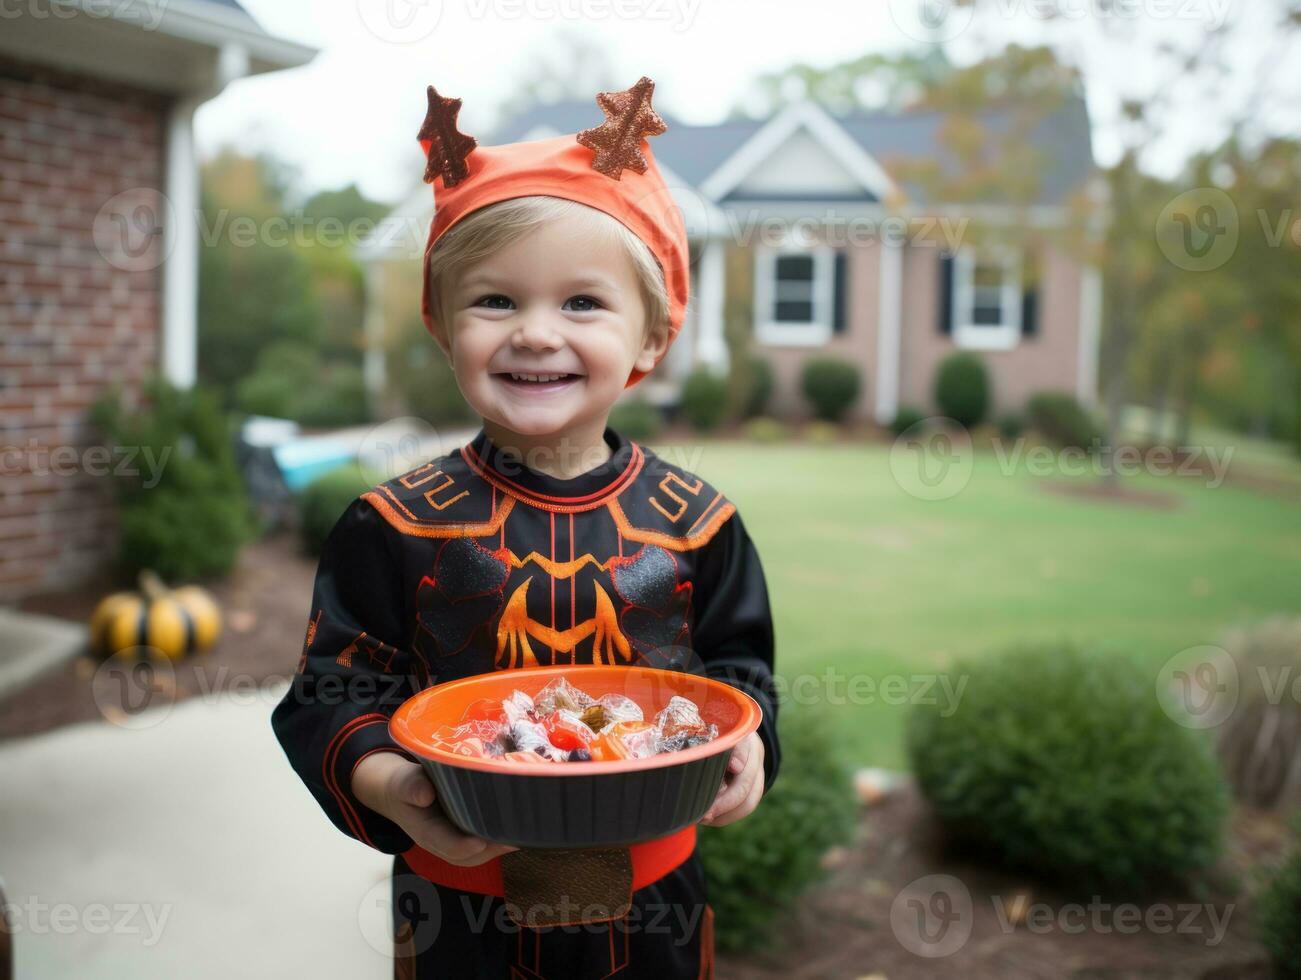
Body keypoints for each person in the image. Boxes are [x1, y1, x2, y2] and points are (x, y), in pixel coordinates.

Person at [271, 76, 780, 979]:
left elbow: (740, 673)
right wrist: (392, 784)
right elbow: (328, 694)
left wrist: (748, 749)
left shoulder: (698, 525)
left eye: (582, 303)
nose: (537, 334)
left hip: (653, 904)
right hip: (458, 910)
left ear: (652, 336)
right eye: (495, 302)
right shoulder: (394, 526)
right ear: (440, 324)